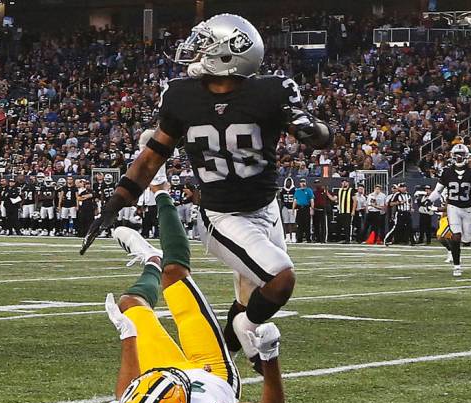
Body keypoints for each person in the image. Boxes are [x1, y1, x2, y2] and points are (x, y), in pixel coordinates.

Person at [80, 13, 330, 372]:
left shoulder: (270, 92)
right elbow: (152, 156)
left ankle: (211, 365)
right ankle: (245, 331)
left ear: (230, 54)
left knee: (250, 299)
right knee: (280, 279)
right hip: (222, 216)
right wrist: (116, 201)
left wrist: (314, 130)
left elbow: (322, 136)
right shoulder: (182, 96)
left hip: (266, 208)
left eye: (205, 45)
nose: (195, 51)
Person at [94, 181, 285, 403]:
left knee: (129, 303)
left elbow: (126, 393)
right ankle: (161, 190)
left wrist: (128, 335)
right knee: (174, 274)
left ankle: (151, 260)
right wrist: (270, 356)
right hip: (212, 372)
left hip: (162, 372)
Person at [424, 144, 471, 276]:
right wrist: (429, 199)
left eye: (461, 154)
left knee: (467, 239)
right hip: (452, 207)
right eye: (456, 154)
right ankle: (457, 266)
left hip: (467, 208)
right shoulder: (447, 172)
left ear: (466, 156)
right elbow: (437, 191)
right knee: (456, 236)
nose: (458, 157)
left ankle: (460, 252)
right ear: (452, 155)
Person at [293, 178, 314, 243]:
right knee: (299, 224)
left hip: (306, 208)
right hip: (299, 208)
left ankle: (308, 238)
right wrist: (293, 209)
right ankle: (299, 238)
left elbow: (312, 200)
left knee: (307, 224)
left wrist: (312, 209)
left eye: (304, 182)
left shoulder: (309, 190)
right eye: (301, 182)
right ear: (300, 183)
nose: (303, 183)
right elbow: (295, 200)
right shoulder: (297, 191)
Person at [279, 177, 296, 243]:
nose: (288, 183)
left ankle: (293, 237)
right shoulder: (283, 190)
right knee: (286, 223)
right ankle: (288, 237)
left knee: (293, 222)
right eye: (287, 182)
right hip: (285, 207)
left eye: (289, 182)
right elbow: (281, 199)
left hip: (292, 207)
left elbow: (295, 199)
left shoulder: (294, 190)